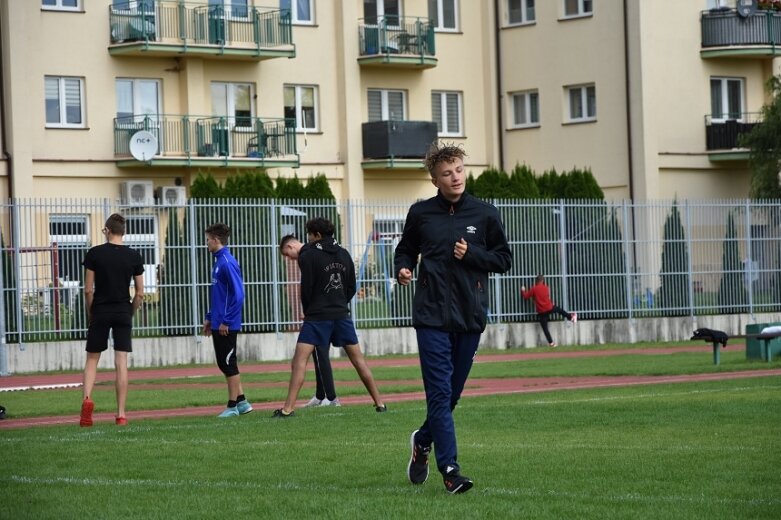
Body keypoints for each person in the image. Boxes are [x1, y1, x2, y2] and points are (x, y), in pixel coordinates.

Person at [394, 143, 512, 494]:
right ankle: (450, 469)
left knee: (452, 395)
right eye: (446, 173)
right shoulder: (421, 214)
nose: (455, 177)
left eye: (459, 169)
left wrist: (471, 253)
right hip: (430, 316)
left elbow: (504, 259)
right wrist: (402, 267)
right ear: (435, 179)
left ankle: (423, 440)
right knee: (440, 393)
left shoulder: (485, 214)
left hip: (470, 316)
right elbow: (406, 248)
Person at [273, 217, 387, 417]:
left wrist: (309, 310)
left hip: (317, 317)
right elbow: (351, 285)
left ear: (317, 235)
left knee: (299, 361)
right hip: (341, 315)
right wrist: (340, 302)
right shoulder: (344, 253)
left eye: (310, 235)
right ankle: (380, 404)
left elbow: (306, 287)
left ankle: (287, 409)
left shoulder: (308, 255)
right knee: (359, 361)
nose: (308, 239)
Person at [79, 213, 145, 427]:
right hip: (122, 311)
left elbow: (88, 289)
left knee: (92, 359)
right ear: (122, 232)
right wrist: (130, 311)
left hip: (101, 310)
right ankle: (121, 414)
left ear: (107, 230)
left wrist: (91, 311)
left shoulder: (94, 254)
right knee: (121, 362)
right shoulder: (134, 256)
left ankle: (87, 400)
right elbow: (140, 293)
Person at [280, 234, 341, 407]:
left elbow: (310, 286)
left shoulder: (307, 255)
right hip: (321, 311)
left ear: (291, 246)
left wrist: (310, 311)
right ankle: (321, 395)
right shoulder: (312, 253)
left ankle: (331, 397)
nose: (289, 259)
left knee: (321, 353)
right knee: (317, 354)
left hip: (321, 314)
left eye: (287, 254)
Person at [202, 223, 253, 418]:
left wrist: (226, 321)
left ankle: (232, 406)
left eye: (208, 240)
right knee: (224, 363)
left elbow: (239, 295)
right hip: (218, 322)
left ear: (216, 240)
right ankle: (242, 402)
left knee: (228, 363)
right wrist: (209, 318)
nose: (206, 243)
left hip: (226, 324)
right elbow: (219, 296)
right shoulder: (218, 261)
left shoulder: (227, 262)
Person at [521, 274, 577, 348]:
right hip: (549, 307)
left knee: (545, 328)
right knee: (560, 310)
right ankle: (571, 317)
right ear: (542, 281)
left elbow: (526, 297)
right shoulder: (546, 288)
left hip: (541, 311)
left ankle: (551, 343)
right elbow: (545, 297)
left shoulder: (534, 289)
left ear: (536, 281)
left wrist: (523, 291)